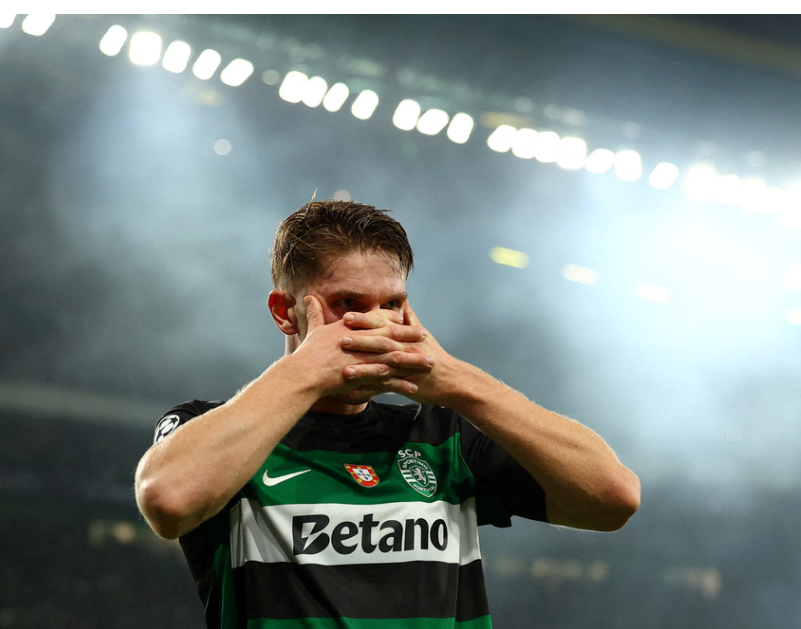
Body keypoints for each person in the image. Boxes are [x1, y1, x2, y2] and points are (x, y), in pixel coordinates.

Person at [135, 199, 641, 628]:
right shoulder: (219, 428)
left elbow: (612, 497)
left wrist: (461, 383)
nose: (374, 324)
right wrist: (307, 371)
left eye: (392, 303)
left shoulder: (444, 436)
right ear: (283, 310)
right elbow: (168, 500)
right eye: (347, 302)